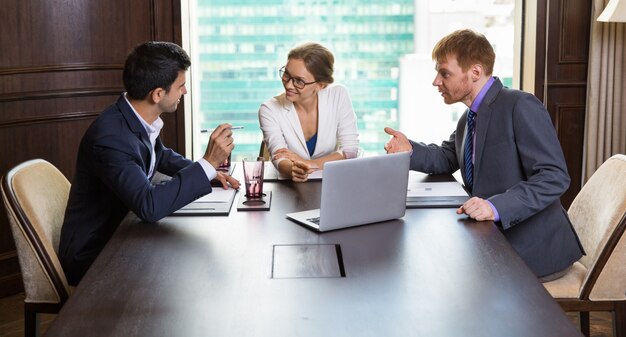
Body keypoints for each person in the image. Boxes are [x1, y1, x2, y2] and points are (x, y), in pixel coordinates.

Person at [384, 29, 584, 281]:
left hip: (532, 249)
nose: (436, 81)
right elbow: (448, 157)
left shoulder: (520, 105)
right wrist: (409, 149)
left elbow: (554, 177)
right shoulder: (470, 117)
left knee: (436, 274)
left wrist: (494, 206)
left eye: (444, 73)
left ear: (475, 72)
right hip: (491, 237)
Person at [59, 41, 240, 285]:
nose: (184, 92)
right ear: (157, 94)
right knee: (195, 269)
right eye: (181, 86)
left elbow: (160, 155)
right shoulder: (110, 139)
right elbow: (149, 206)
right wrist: (208, 163)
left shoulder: (133, 116)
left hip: (125, 233)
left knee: (194, 257)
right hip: (95, 254)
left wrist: (208, 172)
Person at [258, 42, 359, 182]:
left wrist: (309, 164)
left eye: (299, 81)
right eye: (286, 74)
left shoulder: (338, 95)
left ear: (320, 85)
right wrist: (292, 169)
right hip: (290, 187)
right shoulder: (269, 109)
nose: (288, 85)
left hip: (332, 183)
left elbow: (351, 151)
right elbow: (279, 156)